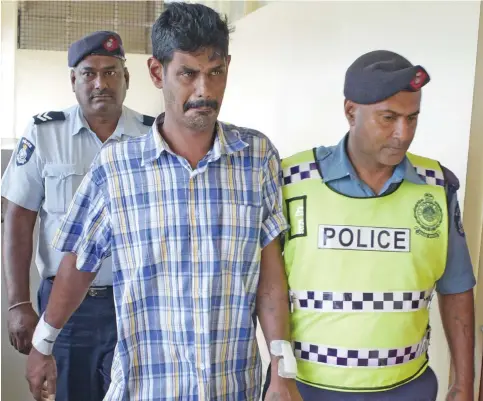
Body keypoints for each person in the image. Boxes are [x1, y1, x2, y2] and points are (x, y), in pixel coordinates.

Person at [25, 4, 303, 401]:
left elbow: (270, 272)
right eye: (188, 74)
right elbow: (78, 265)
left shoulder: (255, 157)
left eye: (216, 73)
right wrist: (44, 343)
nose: (204, 91)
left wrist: (281, 366)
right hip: (146, 387)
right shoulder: (117, 168)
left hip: (232, 386)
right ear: (158, 72)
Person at [263, 50, 475, 401]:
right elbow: (267, 290)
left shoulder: (435, 187)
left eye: (412, 118)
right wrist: (279, 376)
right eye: (388, 117)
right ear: (350, 111)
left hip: (407, 389)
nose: (402, 133)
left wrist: (463, 385)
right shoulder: (290, 180)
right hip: (307, 391)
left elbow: (456, 290)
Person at [1, 31, 154, 401]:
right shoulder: (45, 133)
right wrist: (19, 302)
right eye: (88, 73)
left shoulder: (154, 137)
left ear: (127, 78)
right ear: (74, 80)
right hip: (67, 307)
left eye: (111, 72)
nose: (100, 83)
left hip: (136, 300)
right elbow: (18, 218)